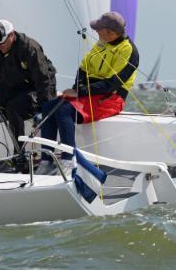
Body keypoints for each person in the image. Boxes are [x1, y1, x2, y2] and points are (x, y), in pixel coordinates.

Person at [37, 11, 139, 175]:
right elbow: (83, 68)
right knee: (49, 106)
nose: (96, 31)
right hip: (90, 94)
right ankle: (46, 160)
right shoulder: (102, 43)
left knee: (63, 110)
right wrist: (78, 88)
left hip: (111, 98)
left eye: (99, 29)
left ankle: (68, 161)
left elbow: (111, 84)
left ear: (111, 33)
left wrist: (79, 92)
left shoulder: (128, 51)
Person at [0, 19, 56, 162]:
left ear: (11, 35)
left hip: (35, 89)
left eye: (3, 43)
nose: (0, 47)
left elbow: (43, 79)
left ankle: (19, 154)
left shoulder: (29, 48)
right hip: (13, 88)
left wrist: (44, 106)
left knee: (13, 108)